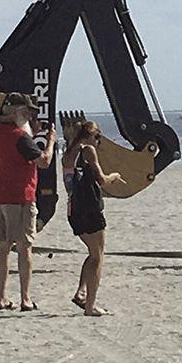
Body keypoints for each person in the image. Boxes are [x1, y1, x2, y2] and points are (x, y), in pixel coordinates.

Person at [0, 92, 55, 311]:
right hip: (20, 196)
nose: (29, 117)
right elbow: (44, 161)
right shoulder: (19, 136)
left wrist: (33, 135)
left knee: (2, 247)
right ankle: (25, 298)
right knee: (24, 247)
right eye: (26, 113)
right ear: (16, 113)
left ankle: (1, 297)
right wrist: (50, 142)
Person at [68, 119, 122, 315]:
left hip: (74, 208)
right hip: (89, 208)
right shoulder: (87, 151)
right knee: (98, 256)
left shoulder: (69, 152)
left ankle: (81, 292)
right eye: (98, 137)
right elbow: (101, 179)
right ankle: (90, 305)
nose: (98, 142)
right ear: (91, 136)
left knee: (92, 253)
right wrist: (114, 176)